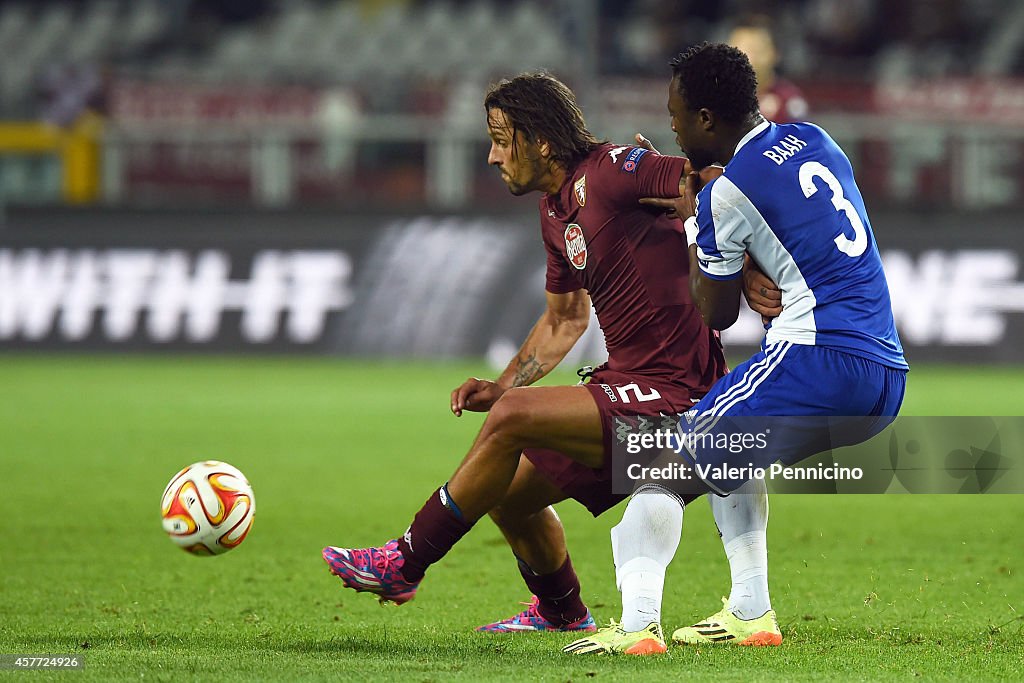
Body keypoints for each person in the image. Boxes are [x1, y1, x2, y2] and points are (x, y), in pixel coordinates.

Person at [321, 72, 778, 643]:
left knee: (510, 424)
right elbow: (566, 318)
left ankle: (404, 562)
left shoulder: (612, 169)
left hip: (682, 392)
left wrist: (748, 265)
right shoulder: (556, 213)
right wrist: (505, 383)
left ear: (540, 140)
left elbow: (706, 176)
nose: (491, 156)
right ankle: (562, 610)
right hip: (630, 383)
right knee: (507, 494)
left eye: (500, 138)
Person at [565, 42, 908, 655]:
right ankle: (752, 611)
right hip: (884, 370)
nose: (669, 124)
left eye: (675, 113)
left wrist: (699, 219)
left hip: (816, 356)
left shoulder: (727, 194)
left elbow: (716, 313)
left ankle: (638, 625)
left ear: (704, 120)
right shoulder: (816, 139)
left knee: (659, 466)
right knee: (734, 454)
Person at [727, 15, 808, 124]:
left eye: (755, 50)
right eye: (738, 50)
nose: (747, 59)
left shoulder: (788, 100)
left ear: (775, 53)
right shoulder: (713, 96)